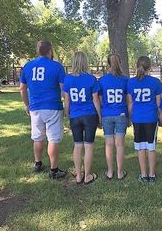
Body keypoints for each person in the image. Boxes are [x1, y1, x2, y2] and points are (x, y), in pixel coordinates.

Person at [20, 40, 67, 179]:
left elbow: (22, 88)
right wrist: (68, 103)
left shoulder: (28, 66)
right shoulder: (57, 66)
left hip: (35, 107)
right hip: (52, 106)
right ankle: (54, 170)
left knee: (38, 137)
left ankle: (38, 163)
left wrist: (27, 105)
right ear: (50, 50)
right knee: (53, 138)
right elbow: (63, 89)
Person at [63, 52, 101, 185]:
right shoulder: (91, 79)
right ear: (85, 62)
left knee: (77, 145)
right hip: (89, 115)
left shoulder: (67, 79)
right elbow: (96, 99)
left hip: (75, 115)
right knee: (89, 145)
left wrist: (67, 113)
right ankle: (88, 175)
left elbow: (66, 99)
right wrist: (99, 116)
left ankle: (79, 175)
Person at [127, 56, 162, 184]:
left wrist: (129, 116)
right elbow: (159, 103)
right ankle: (152, 175)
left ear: (137, 66)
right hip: (150, 118)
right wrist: (160, 118)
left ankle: (143, 175)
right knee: (151, 147)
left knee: (140, 147)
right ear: (150, 68)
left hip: (137, 118)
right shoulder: (155, 82)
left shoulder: (131, 82)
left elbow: (130, 103)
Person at [99, 54, 128, 180]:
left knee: (109, 144)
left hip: (107, 114)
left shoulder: (102, 80)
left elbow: (100, 100)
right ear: (120, 63)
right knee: (120, 144)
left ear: (108, 64)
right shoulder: (125, 80)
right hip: (121, 113)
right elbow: (128, 100)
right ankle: (120, 172)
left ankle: (110, 172)